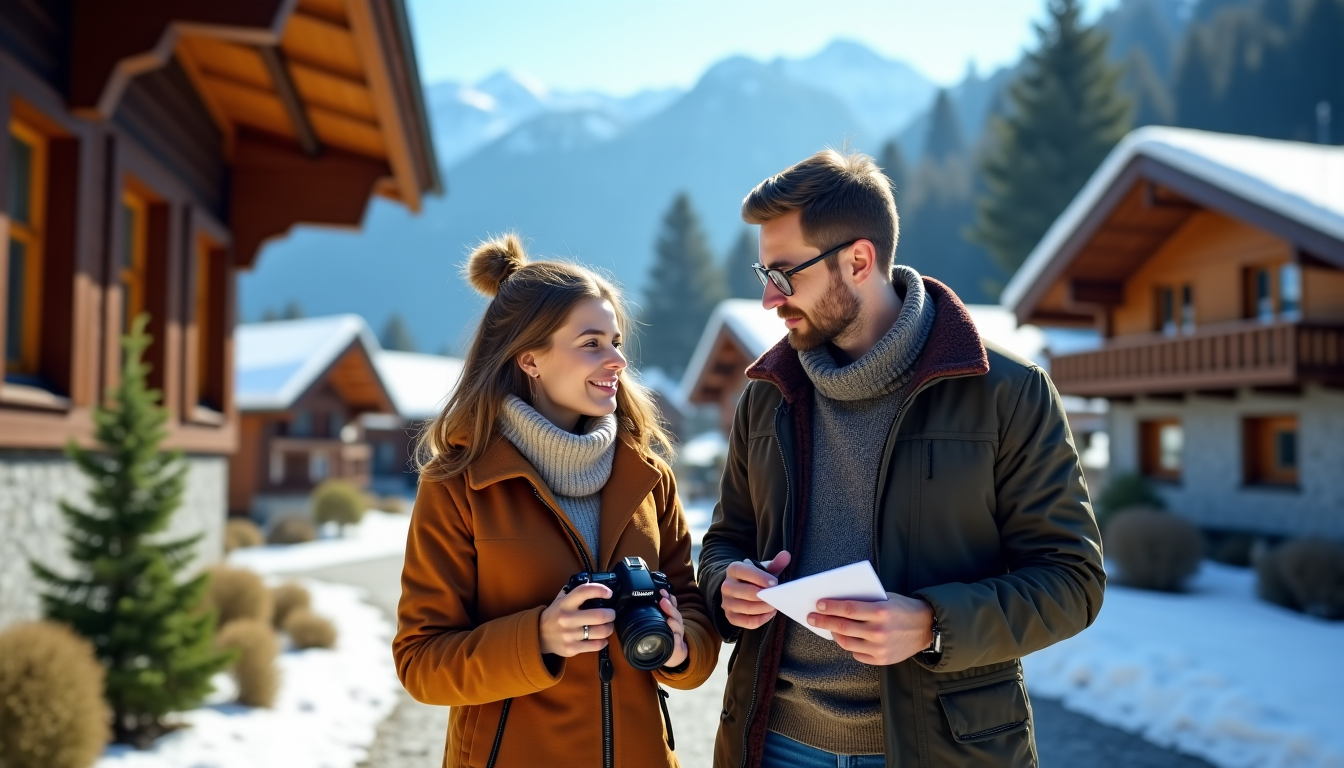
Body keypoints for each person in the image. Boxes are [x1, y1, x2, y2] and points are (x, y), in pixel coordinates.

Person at [698, 149, 1105, 768]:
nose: (768, 301)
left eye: (784, 276)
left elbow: (1072, 581)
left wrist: (931, 623)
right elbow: (727, 538)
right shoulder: (765, 396)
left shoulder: (1010, 393)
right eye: (764, 276)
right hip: (774, 745)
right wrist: (727, 585)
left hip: (939, 752)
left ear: (858, 260)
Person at [394, 234, 719, 768]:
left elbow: (694, 618)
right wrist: (539, 636)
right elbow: (421, 664)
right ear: (530, 359)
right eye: (591, 343)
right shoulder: (458, 484)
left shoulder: (649, 477)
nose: (617, 360)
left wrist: (684, 647)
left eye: (616, 341)